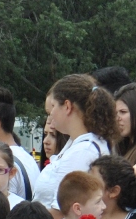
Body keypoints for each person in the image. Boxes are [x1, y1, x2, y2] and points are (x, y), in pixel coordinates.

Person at [38, 76, 118, 210]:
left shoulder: (83, 151)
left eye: (53, 107)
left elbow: (62, 211)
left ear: (67, 106)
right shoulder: (79, 144)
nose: (50, 114)